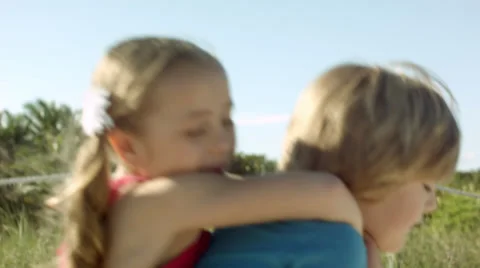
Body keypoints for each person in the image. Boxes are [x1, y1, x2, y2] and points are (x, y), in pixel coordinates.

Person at [52, 36, 362, 268]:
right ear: (127, 146)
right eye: (195, 131)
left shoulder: (127, 200)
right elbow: (327, 193)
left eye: (226, 120)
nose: (222, 141)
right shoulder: (163, 200)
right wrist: (359, 239)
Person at [195, 62, 459, 267]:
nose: (432, 204)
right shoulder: (335, 245)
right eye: (426, 186)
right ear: (376, 170)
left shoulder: (254, 224)